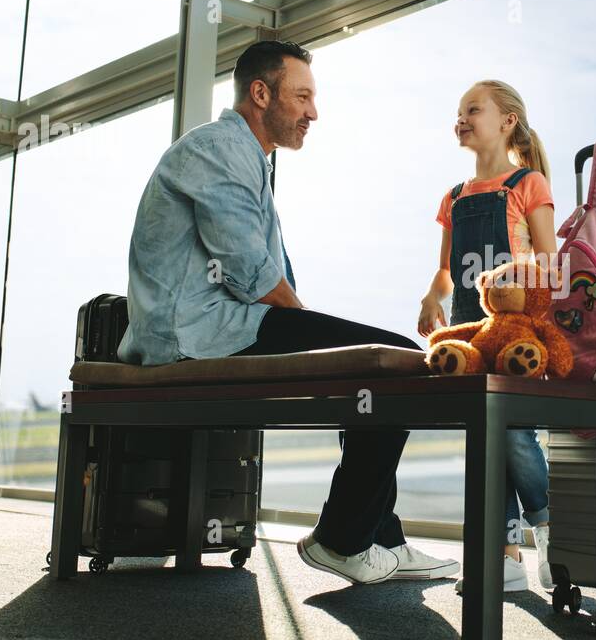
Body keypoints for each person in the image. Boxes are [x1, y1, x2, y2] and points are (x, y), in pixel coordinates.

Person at [118, 39, 457, 586]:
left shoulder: (248, 157)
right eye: (302, 97)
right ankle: (343, 541)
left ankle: (379, 536)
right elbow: (252, 273)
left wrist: (312, 331)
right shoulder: (218, 150)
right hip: (197, 334)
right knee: (395, 361)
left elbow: (269, 280)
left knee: (374, 370)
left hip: (225, 324)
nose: (313, 112)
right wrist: (312, 334)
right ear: (260, 93)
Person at [417, 79, 559, 594]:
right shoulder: (453, 198)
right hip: (470, 328)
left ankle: (548, 527)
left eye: (472, 109)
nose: (461, 118)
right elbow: (445, 271)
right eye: (458, 111)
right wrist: (431, 298)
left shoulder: (529, 185)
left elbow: (549, 263)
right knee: (485, 438)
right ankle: (504, 556)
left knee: (515, 432)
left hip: (519, 328)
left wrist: (518, 293)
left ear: (507, 122)